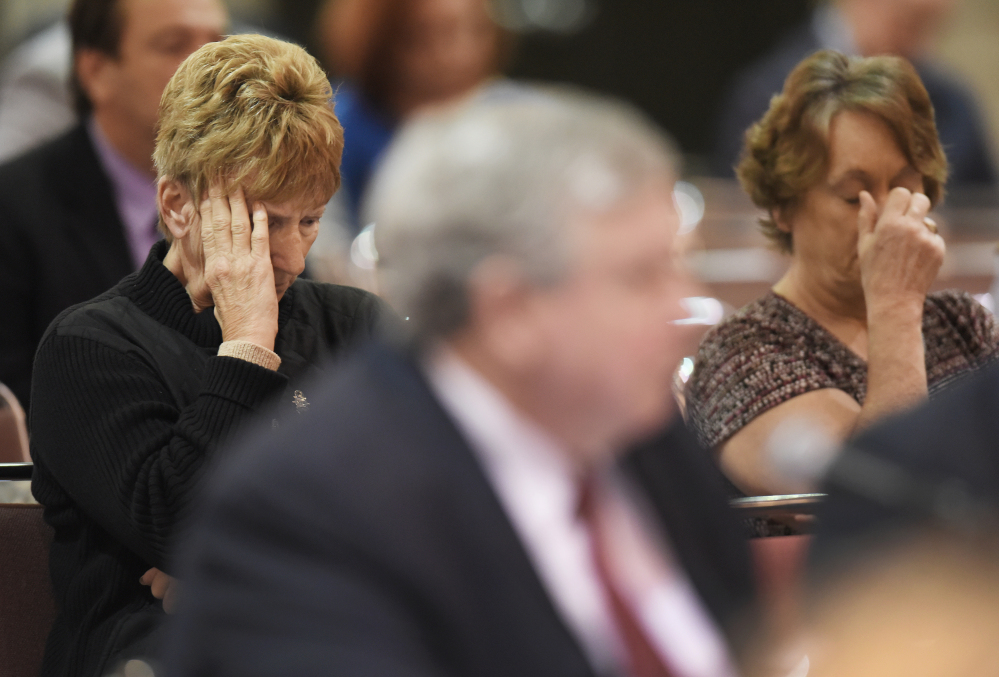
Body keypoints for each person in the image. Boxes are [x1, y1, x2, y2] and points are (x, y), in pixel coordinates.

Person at [163, 93, 755, 677]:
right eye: (641, 277)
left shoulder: (635, 434)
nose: (683, 309)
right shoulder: (313, 515)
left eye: (680, 266)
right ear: (510, 311)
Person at [28, 33, 386, 677]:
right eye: (265, 222)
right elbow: (181, 527)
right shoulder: (89, 346)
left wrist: (252, 576)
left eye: (309, 221)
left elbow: (436, 507)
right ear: (177, 206)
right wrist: (247, 342)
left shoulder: (355, 326)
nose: (294, 258)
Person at [686, 50, 999, 498]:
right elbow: (873, 501)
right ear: (783, 206)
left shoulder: (961, 323)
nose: (889, 213)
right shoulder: (740, 356)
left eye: (905, 187)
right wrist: (893, 304)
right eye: (854, 196)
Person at [0, 0, 228, 411]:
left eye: (217, 43)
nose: (209, 70)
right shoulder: (13, 210)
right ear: (96, 71)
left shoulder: (253, 190)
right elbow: (17, 412)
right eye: (174, 46)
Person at [711, 0, 996, 188]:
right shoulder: (765, 96)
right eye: (909, 23)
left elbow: (984, 217)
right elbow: (747, 229)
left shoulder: (954, 104)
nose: (923, 47)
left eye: (931, 28)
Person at [314, 0, 510, 232]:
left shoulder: (514, 120)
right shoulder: (333, 127)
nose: (459, 54)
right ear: (382, 38)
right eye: (426, 37)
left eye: (476, 30)